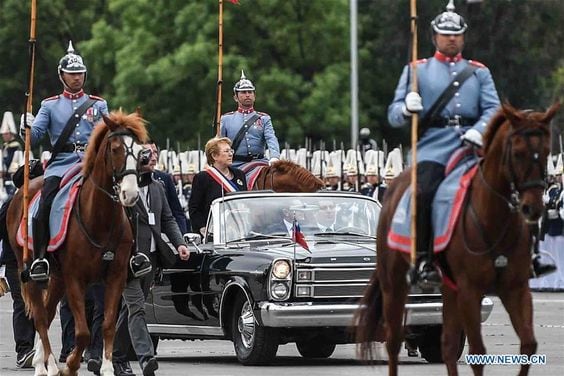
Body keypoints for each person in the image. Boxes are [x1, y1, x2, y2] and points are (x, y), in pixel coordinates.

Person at [387, 2, 504, 287]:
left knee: (512, 185)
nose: (451, 39)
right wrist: (406, 108)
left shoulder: (478, 72)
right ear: (434, 36)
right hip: (433, 148)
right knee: (424, 192)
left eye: (456, 34)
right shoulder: (417, 70)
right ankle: (425, 260)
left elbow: (494, 109)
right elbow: (392, 116)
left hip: (473, 147)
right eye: (445, 34)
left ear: (463, 37)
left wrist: (480, 130)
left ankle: (521, 255)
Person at [20, 41, 150, 281]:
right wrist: (26, 125)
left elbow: (107, 134)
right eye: (71, 74)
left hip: (91, 164)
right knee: (45, 202)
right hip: (61, 164)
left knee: (131, 200)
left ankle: (135, 254)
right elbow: (36, 136)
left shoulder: (98, 104)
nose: (77, 78)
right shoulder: (49, 105)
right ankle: (41, 258)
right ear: (62, 76)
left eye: (80, 73)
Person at [112, 143, 190, 376]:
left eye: (155, 154)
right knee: (137, 308)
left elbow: (167, 219)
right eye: (147, 154)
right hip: (129, 258)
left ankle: (114, 357)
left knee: (130, 309)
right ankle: (146, 358)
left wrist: (180, 244)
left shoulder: (158, 187)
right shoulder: (121, 189)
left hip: (153, 258)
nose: (152, 158)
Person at [220, 70, 280, 168]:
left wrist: (274, 157)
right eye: (243, 92)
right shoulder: (226, 119)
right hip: (235, 165)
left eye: (250, 92)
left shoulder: (264, 118)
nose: (247, 95)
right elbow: (220, 144)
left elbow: (271, 138)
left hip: (260, 163)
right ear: (236, 97)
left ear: (254, 96)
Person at [0, 203, 35, 368]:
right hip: (14, 262)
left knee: (39, 306)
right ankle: (24, 350)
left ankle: (41, 348)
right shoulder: (11, 204)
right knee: (22, 303)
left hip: (37, 261)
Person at [189, 137, 247, 236]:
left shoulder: (239, 174)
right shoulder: (203, 177)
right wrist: (203, 229)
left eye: (231, 150)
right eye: (226, 151)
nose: (230, 154)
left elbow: (245, 202)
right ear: (214, 155)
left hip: (239, 230)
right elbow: (194, 208)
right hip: (215, 233)